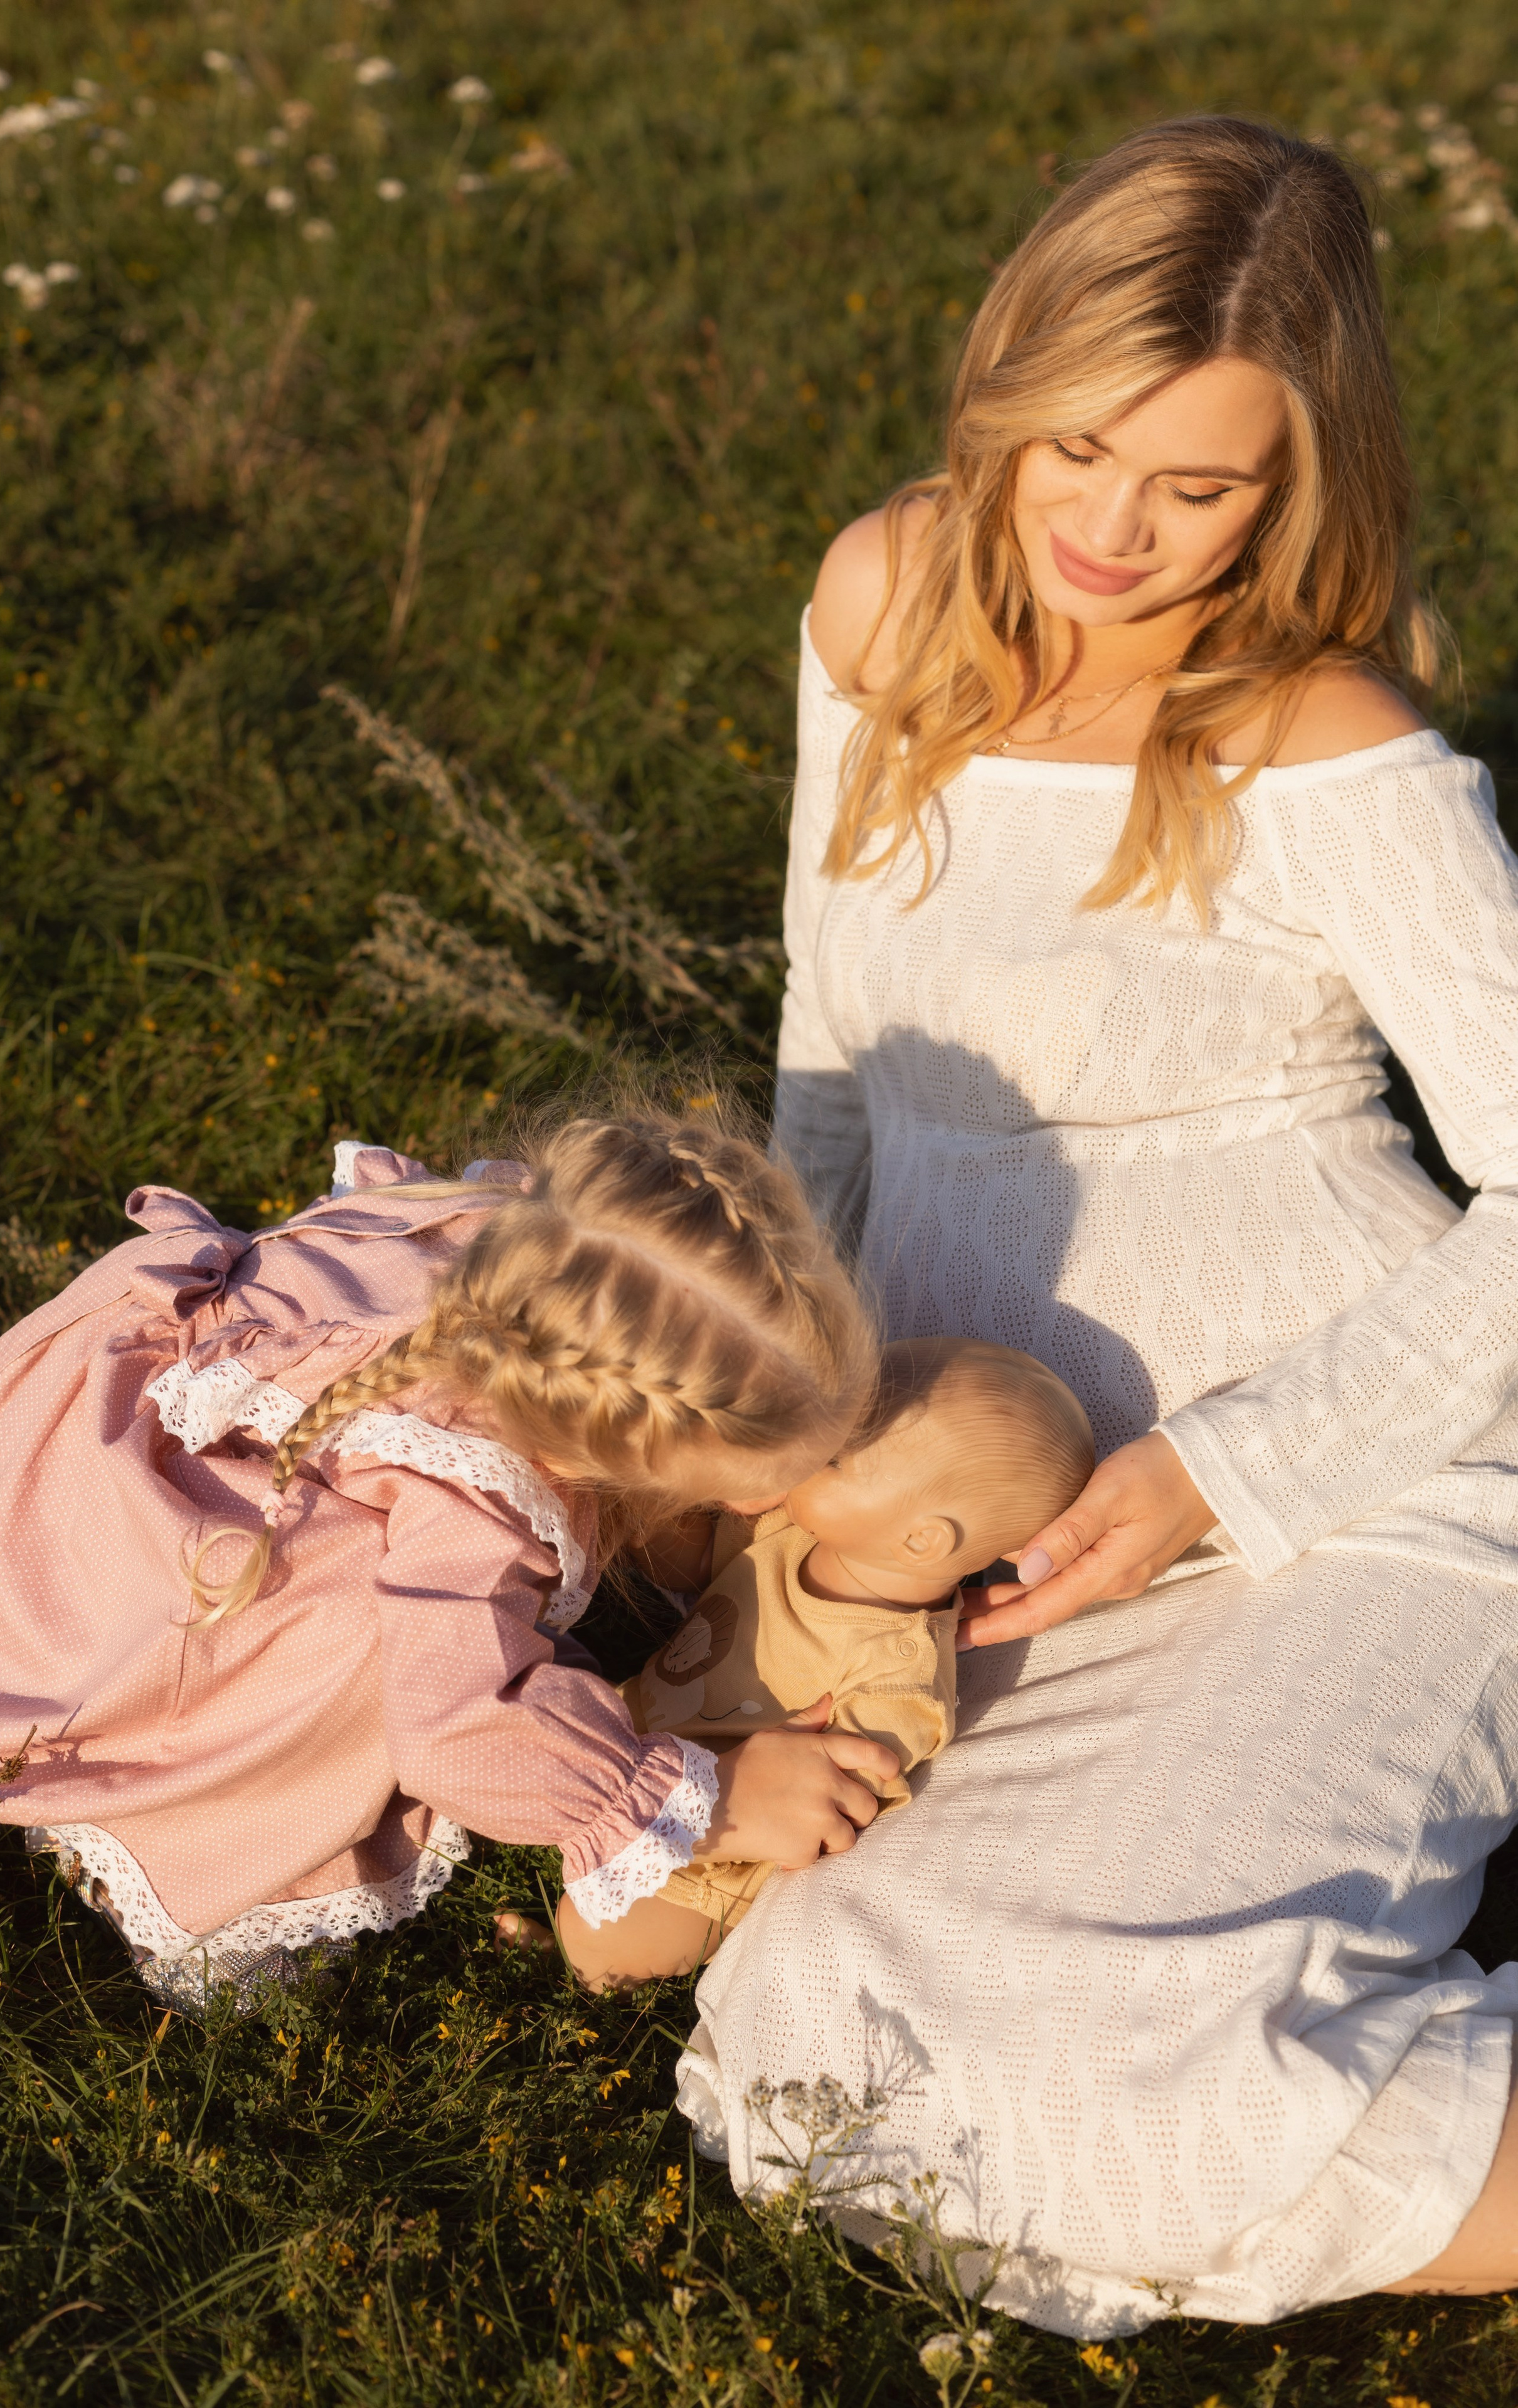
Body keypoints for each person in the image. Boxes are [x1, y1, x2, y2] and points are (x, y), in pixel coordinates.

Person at [674, 116, 1518, 2331]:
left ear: (1298, 479)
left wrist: (1222, 1474)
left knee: (1100, 2041)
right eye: (1073, 453)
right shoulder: (883, 600)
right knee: (816, 2025)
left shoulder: (1323, 736)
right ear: (1001, 392)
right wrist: (779, 1435)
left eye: (1202, 487)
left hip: (1353, 1476)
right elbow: (832, 1041)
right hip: (972, 1471)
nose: (1112, 534)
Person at [0, 1111, 897, 2012]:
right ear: (619, 1450)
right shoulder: (479, 1501)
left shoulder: (543, 1250)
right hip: (163, 1621)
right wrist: (698, 1801)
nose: (769, 1504)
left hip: (64, 1514)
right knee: (354, 1618)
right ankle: (184, 1854)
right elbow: (458, 1727)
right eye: (742, 1488)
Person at [561, 1336, 1094, 1990]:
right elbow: (699, 1564)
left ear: (923, 1539)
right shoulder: (798, 1530)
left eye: (834, 1455)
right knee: (553, 1743)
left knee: (595, 1942)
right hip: (638, 1734)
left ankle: (581, 1974)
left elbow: (829, 1795)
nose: (807, 1446)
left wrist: (711, 1819)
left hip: (708, 1851)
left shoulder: (896, 1677)